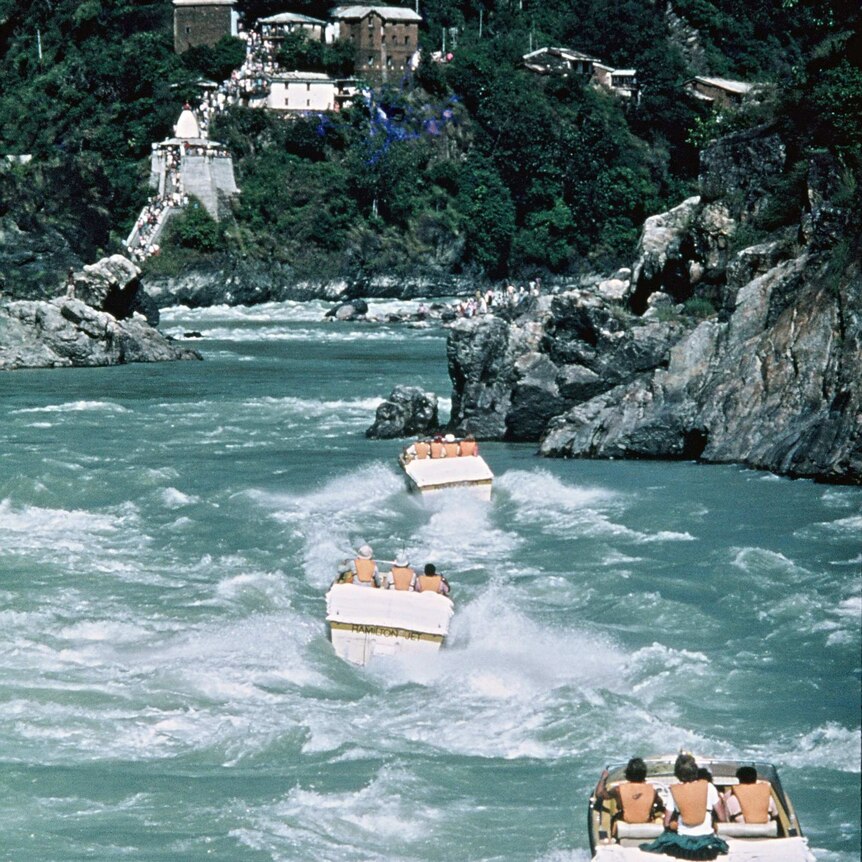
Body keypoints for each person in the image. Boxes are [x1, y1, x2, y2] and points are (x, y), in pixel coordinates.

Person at [665, 754, 724, 836]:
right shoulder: (709, 786)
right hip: (707, 836)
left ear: (677, 773)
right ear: (695, 770)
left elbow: (666, 822)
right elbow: (722, 817)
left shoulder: (673, 791)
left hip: (684, 837)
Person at [594, 757, 665, 825]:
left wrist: (603, 778)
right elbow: (660, 805)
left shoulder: (618, 790)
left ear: (628, 774)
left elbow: (599, 794)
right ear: (644, 774)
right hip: (647, 824)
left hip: (624, 824)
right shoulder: (652, 791)